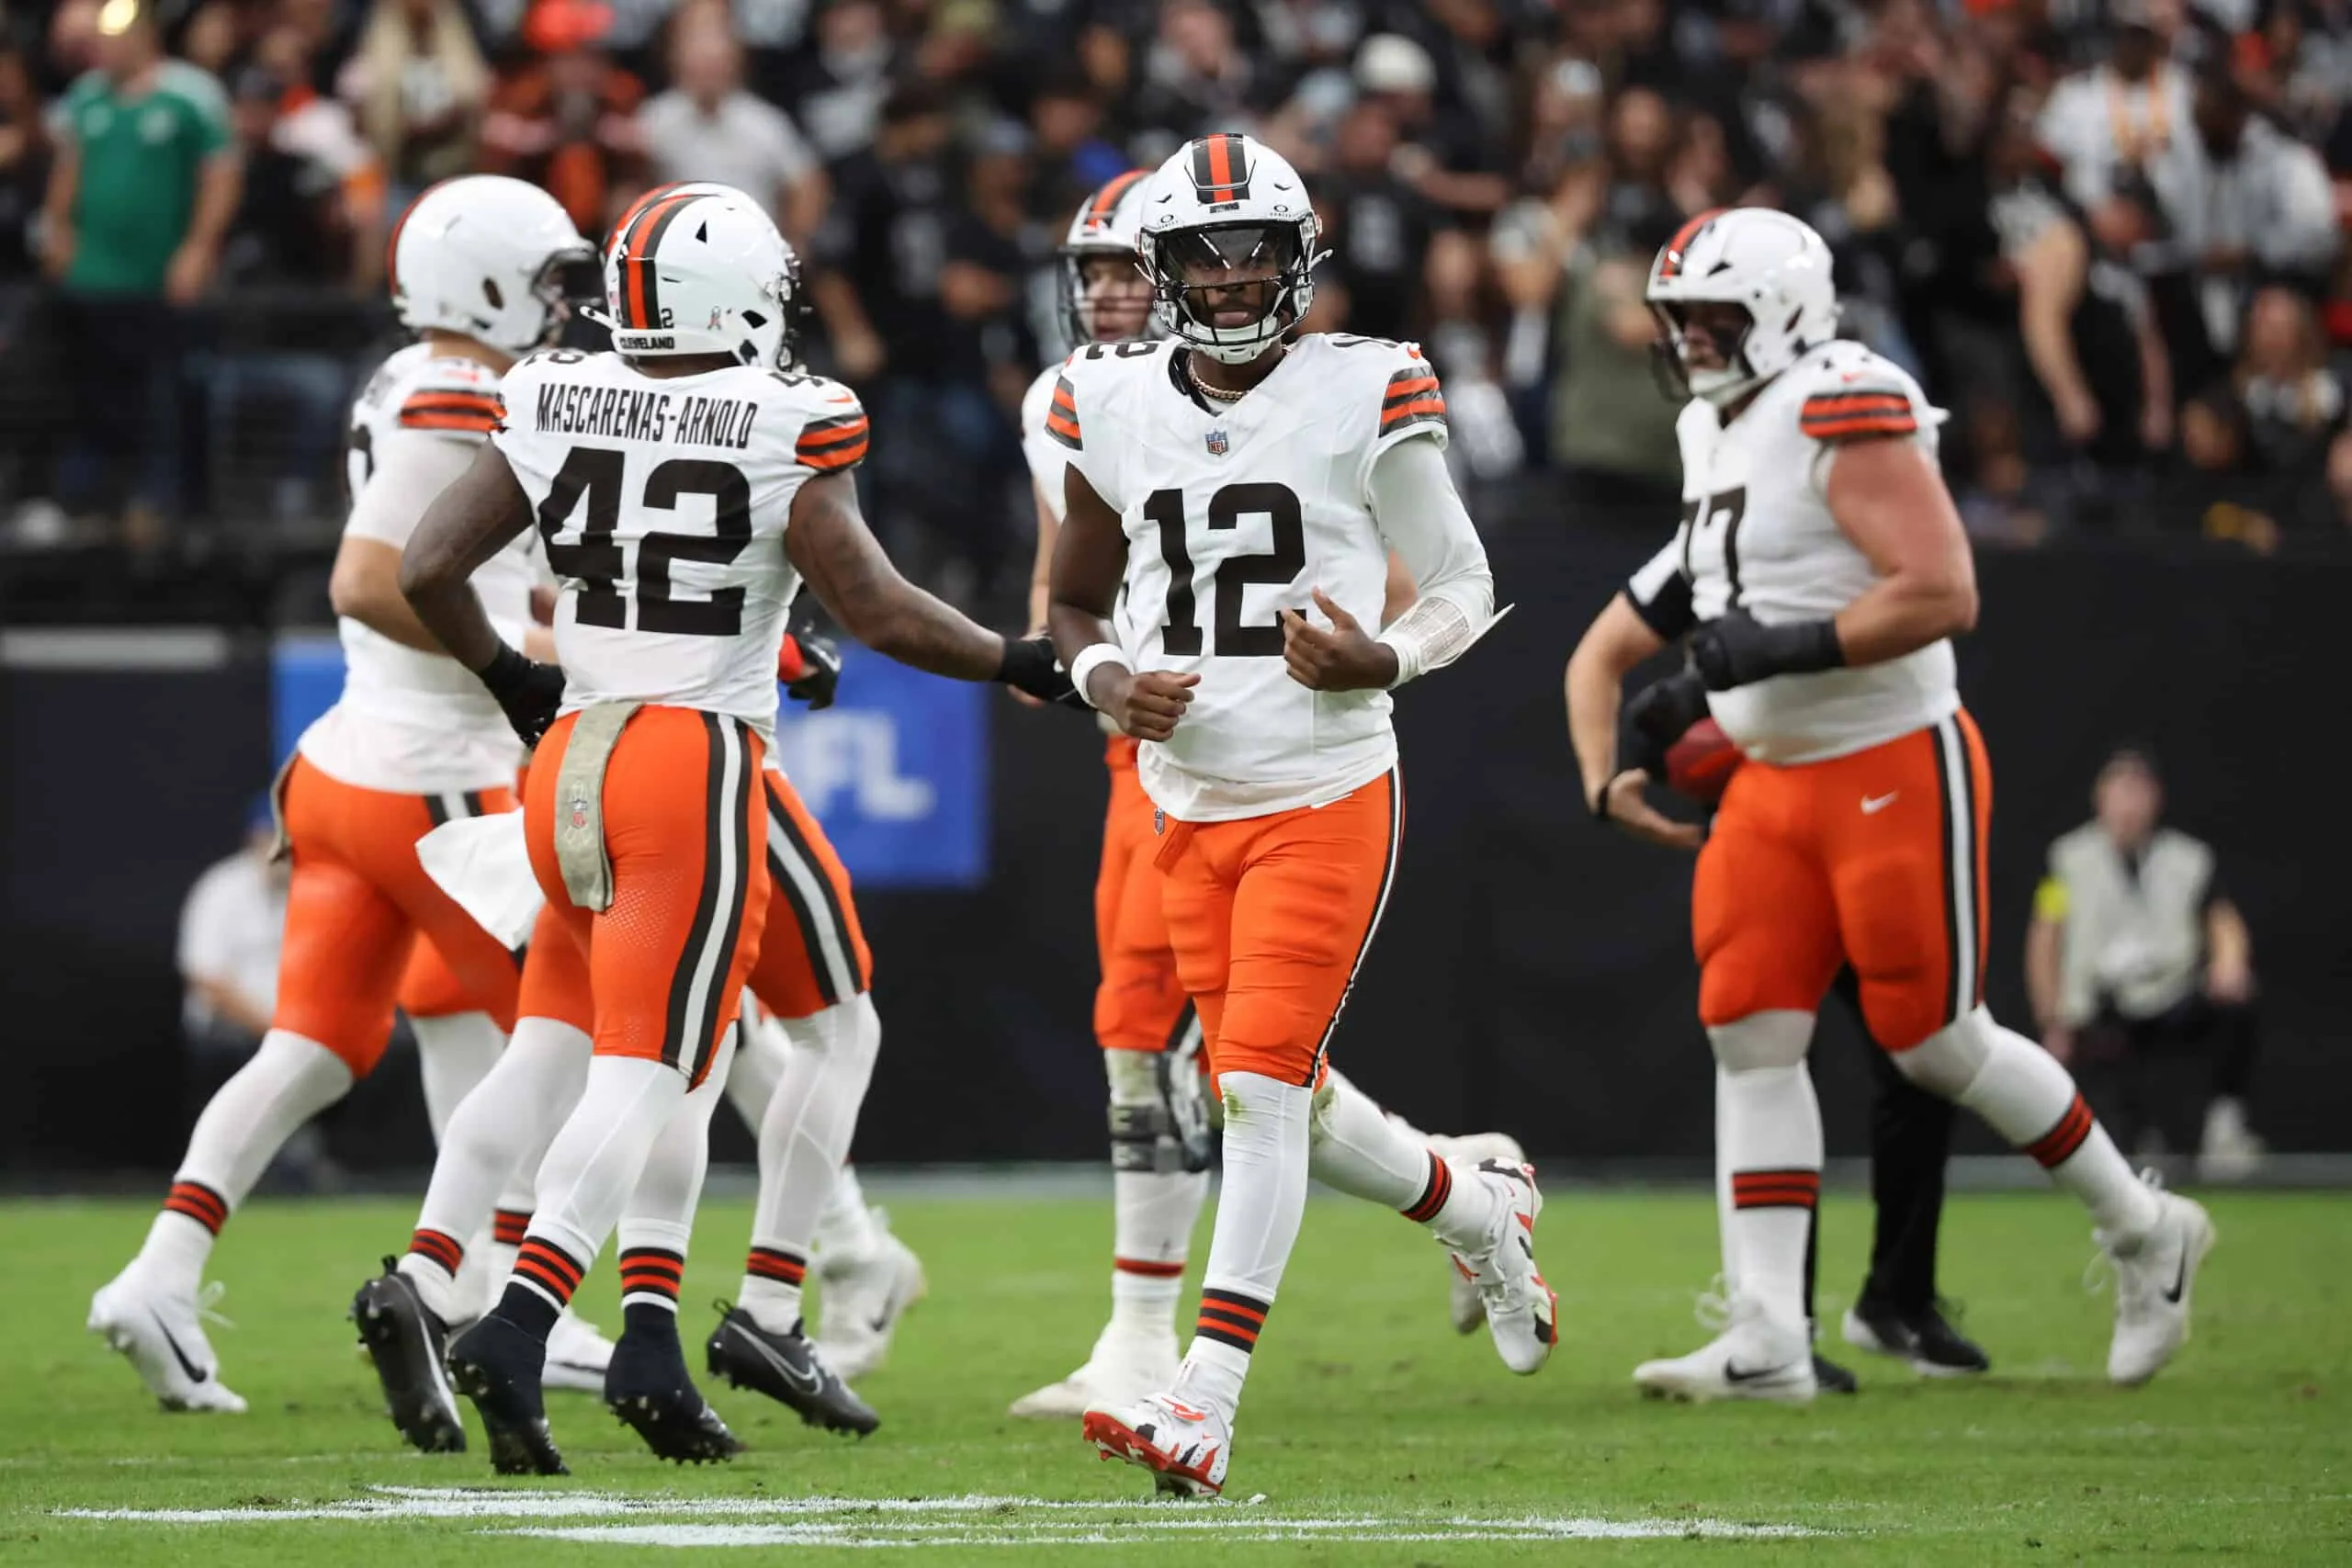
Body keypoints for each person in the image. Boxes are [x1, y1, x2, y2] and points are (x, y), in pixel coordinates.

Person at [397, 183, 1074, 1475]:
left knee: (568, 1045)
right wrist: (1016, 658)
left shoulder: (548, 387)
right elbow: (875, 605)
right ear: (741, 299)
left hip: (567, 755)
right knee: (651, 1068)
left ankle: (534, 1306)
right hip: (689, 764)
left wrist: (510, 677)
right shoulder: (786, 414)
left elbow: (428, 567)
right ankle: (523, 1318)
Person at [1563, 207, 2212, 1406]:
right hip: (1771, 778)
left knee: (1937, 1041)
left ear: (1785, 313)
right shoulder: (1712, 425)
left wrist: (1780, 647)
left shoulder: (1840, 398)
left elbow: (1943, 589)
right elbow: (1658, 623)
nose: (1690, 340)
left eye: (1713, 317)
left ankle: (2143, 1225)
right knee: (1748, 1031)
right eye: (1678, 318)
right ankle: (1767, 1332)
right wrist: (1657, 723)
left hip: (1886, 757)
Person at [1048, 133, 1551, 1498]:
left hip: (1322, 787)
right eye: (1202, 255)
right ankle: (1479, 1209)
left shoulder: (1366, 382)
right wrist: (1106, 681)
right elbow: (1073, 603)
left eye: (1254, 250)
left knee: (1260, 1091)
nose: (1228, 277)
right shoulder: (1105, 399)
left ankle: (1202, 1400)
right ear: (1161, 268)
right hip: (1183, 797)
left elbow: (1461, 579)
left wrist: (1384, 655)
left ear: (1302, 256)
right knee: (1285, 1098)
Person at [85, 175, 596, 1416]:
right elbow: (370, 579)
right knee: (566, 1031)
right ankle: (503, 1290)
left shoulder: (410, 377)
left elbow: (462, 579)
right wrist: (516, 669)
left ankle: (161, 1273)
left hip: (354, 770)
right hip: (434, 782)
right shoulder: (454, 391)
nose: (559, 303)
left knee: (318, 1046)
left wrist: (541, 632)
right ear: (484, 282)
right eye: (544, 280)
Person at [40, 0, 240, 546]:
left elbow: (221, 173)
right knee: (95, 393)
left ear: (145, 36)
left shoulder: (190, 93)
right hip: (93, 276)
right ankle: (92, 506)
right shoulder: (86, 96)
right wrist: (57, 227)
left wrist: (198, 247)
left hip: (158, 279)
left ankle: (158, 505)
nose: (104, 48)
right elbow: (68, 167)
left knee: (165, 396)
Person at [2027, 747, 2263, 1179]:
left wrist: (2229, 963)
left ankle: (2225, 1126)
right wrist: (2051, 1017)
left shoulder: (2188, 859)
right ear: (2100, 798)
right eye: (2119, 793)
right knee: (2108, 1120)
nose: (2128, 806)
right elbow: (2046, 936)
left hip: (2171, 993)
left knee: (2237, 1004)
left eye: (2138, 793)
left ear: (2156, 799)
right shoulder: (2067, 860)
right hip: (2101, 1006)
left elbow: (2221, 919)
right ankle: (2135, 1142)